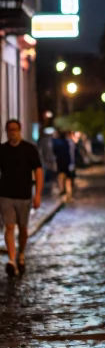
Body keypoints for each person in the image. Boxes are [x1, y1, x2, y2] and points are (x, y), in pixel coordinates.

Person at [0, 119, 43, 278]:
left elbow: (38, 171)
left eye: (15, 129)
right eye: (9, 129)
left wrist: (38, 194)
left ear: (20, 131)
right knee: (9, 227)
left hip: (24, 195)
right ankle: (12, 260)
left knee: (23, 229)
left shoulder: (29, 149)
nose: (12, 132)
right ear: (6, 132)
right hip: (5, 195)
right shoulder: (2, 150)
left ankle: (22, 254)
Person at [52, 129, 76, 198]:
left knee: (62, 178)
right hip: (67, 163)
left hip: (61, 164)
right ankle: (68, 194)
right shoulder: (68, 142)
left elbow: (54, 152)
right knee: (68, 179)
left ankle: (64, 192)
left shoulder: (56, 143)